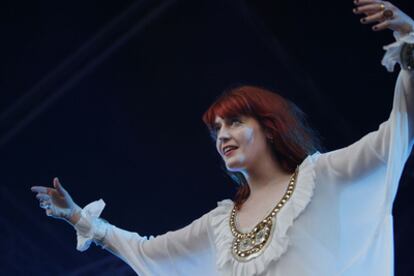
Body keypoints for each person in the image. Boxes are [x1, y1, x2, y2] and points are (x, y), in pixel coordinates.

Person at [31, 1, 414, 275]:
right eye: (217, 129)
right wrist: (79, 217)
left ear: (269, 126)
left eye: (234, 122)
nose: (223, 135)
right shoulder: (219, 225)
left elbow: (400, 131)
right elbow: (145, 250)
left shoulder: (323, 177)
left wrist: (409, 41)